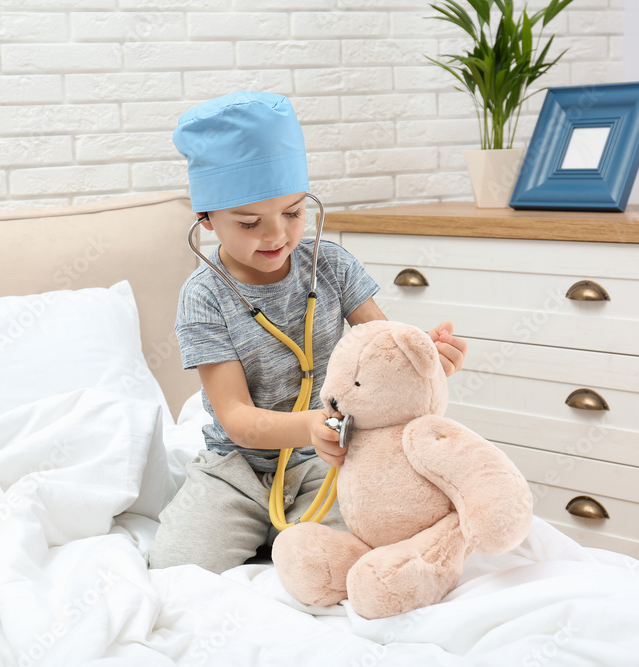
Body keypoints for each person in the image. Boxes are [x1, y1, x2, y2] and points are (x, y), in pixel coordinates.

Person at [147, 90, 468, 574]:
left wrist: (429, 358)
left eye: (294, 213)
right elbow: (234, 415)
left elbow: (386, 351)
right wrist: (310, 427)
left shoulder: (331, 266)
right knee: (174, 571)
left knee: (351, 562)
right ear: (206, 218)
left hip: (328, 464)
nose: (276, 236)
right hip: (237, 471)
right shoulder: (204, 295)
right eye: (250, 222)